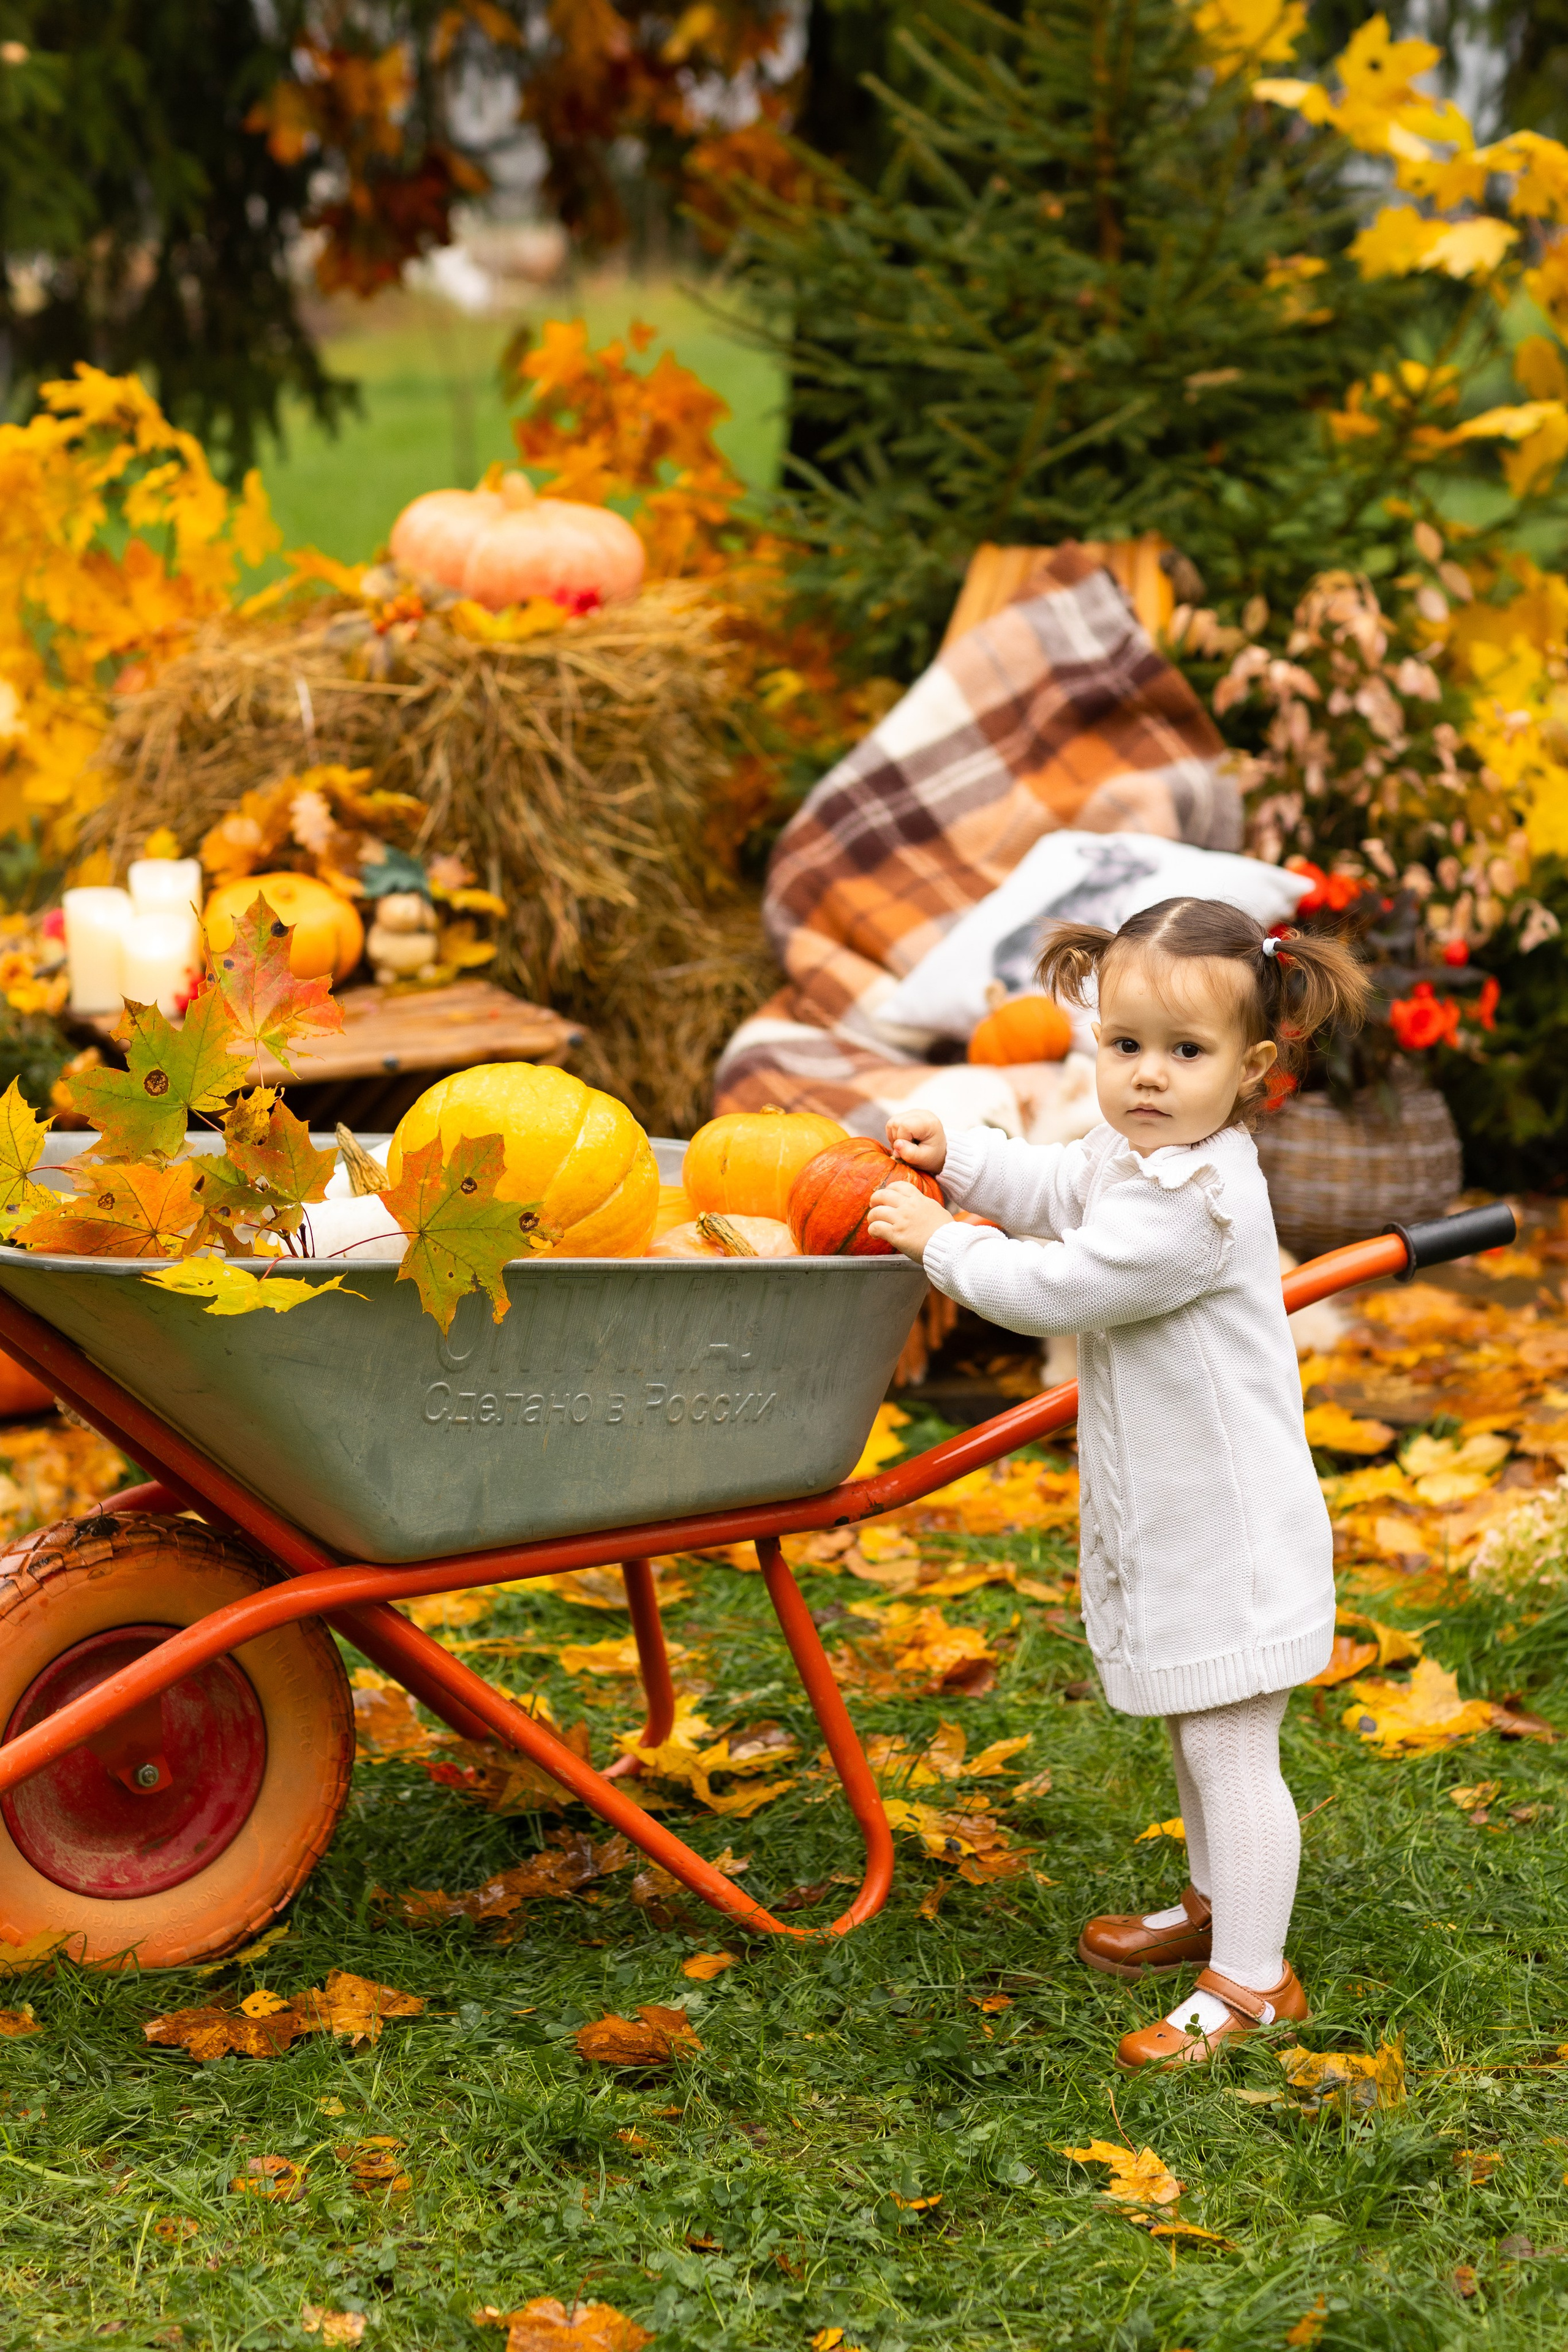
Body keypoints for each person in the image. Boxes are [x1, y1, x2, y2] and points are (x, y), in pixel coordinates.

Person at [865, 895, 1370, 2071]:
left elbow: (1061, 1286)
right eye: (1124, 1044)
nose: (1147, 1076)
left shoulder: (1196, 1201)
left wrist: (937, 1243)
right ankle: (1214, 1906)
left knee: (1232, 1747)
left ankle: (1253, 1982)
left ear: (1250, 1070)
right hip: (1180, 1514)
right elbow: (1057, 1188)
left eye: (1184, 1054)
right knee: (1197, 1733)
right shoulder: (1138, 1152)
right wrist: (971, 1160)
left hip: (1236, 1531)